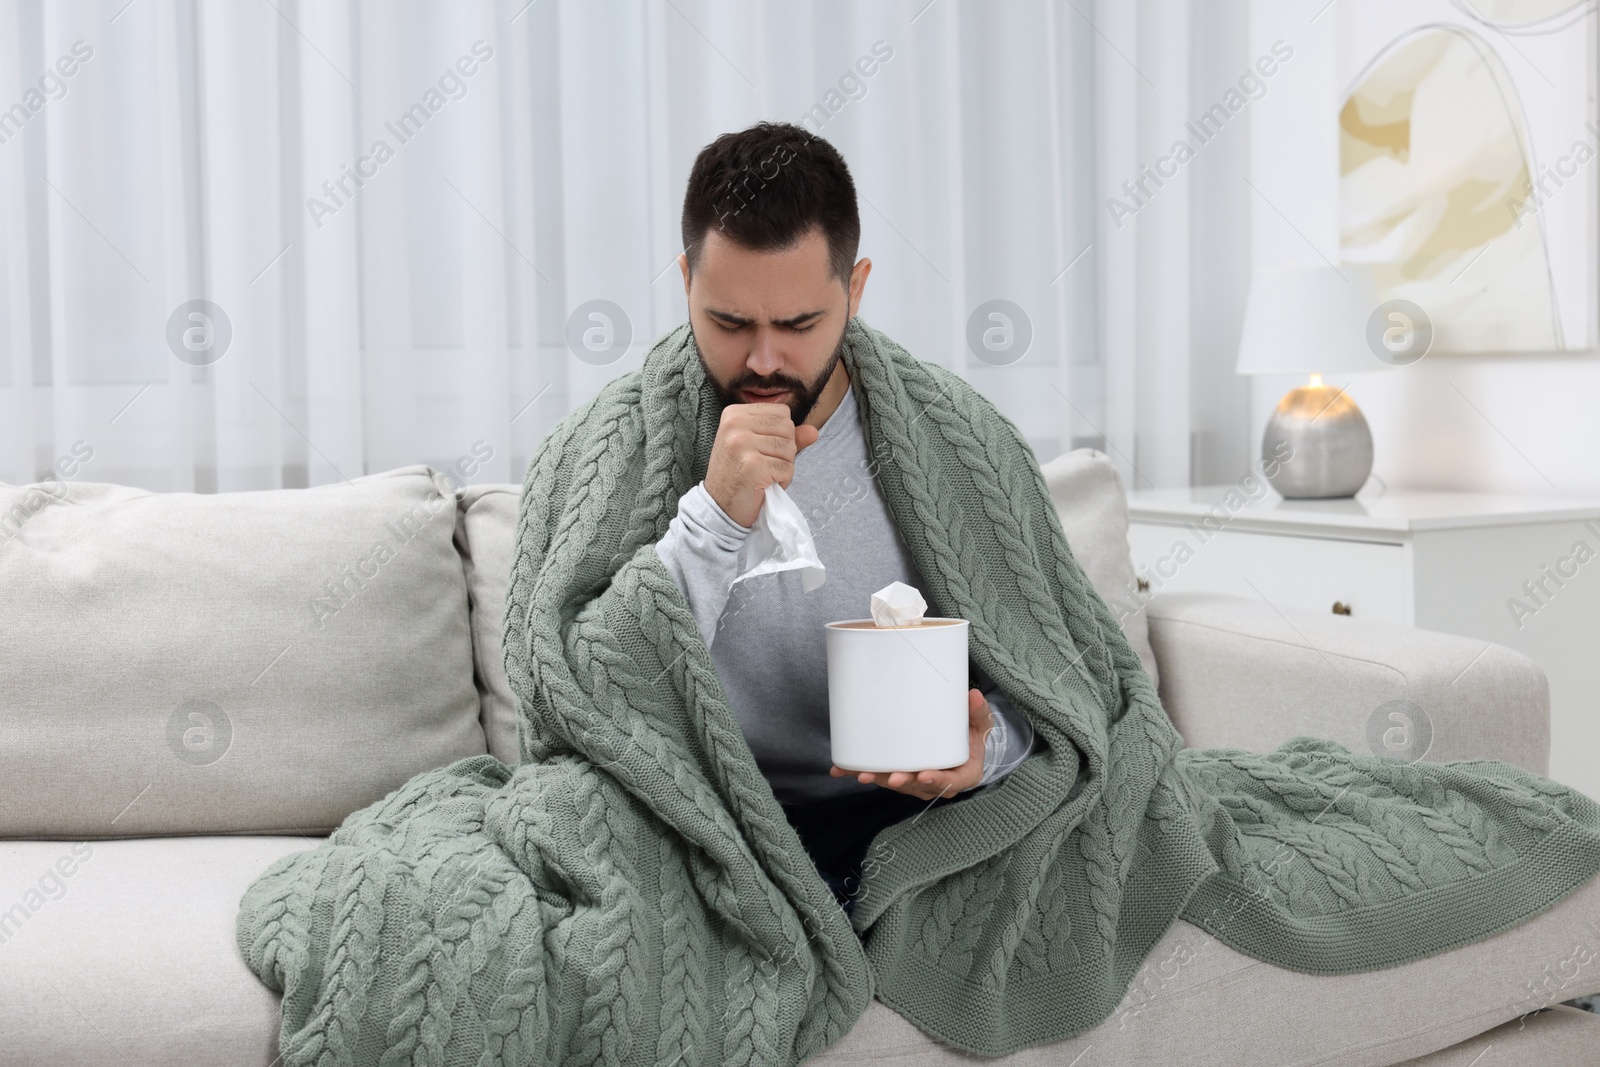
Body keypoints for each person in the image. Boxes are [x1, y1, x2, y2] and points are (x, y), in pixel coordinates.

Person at [650, 122, 1037, 914]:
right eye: (729, 322)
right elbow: (582, 689)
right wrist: (715, 519)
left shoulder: (963, 443)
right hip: (692, 827)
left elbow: (1055, 682)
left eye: (798, 326)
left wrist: (983, 748)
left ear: (855, 290)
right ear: (687, 279)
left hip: (914, 823)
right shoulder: (617, 449)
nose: (762, 360)